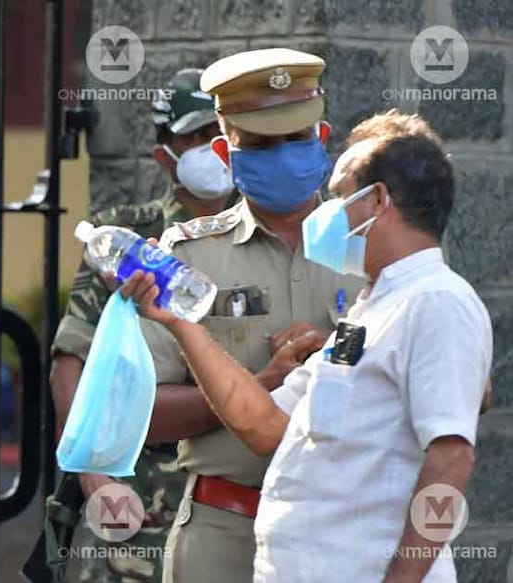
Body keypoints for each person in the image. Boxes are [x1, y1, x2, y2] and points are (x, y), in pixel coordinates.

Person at [119, 109, 492, 583]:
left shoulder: (436, 302)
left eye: (340, 196)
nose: (327, 213)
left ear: (377, 200)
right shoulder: (370, 309)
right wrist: (181, 321)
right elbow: (264, 426)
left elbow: (451, 458)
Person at [124, 48, 368, 583]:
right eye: (260, 144)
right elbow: (144, 414)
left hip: (349, 533)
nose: (283, 154)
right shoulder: (185, 258)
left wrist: (336, 355)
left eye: (298, 139)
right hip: (225, 534)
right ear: (224, 151)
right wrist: (259, 386)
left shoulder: (369, 247)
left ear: (322, 139)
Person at [48, 68, 237, 582]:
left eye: (217, 135)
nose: (209, 148)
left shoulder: (261, 235)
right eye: (193, 138)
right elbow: (72, 365)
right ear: (164, 156)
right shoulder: (129, 238)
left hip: (239, 495)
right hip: (145, 500)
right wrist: (95, 479)